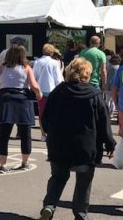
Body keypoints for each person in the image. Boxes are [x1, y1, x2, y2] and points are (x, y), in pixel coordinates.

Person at [39, 58, 116, 220]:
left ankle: (49, 205)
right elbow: (104, 122)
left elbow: (45, 118)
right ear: (87, 74)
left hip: (59, 144)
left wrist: (49, 132)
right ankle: (80, 214)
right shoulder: (94, 95)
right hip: (86, 146)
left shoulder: (58, 92)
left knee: (58, 177)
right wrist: (109, 143)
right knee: (84, 181)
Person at [0, 46, 42, 173]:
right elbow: (34, 85)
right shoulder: (26, 68)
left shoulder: (2, 67)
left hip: (6, 100)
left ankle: (3, 164)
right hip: (23, 100)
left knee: (3, 134)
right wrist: (39, 94)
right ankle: (25, 162)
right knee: (25, 133)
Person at [33, 44, 64, 141]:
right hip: (52, 91)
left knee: (41, 113)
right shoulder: (55, 63)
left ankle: (43, 134)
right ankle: (51, 132)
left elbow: (34, 77)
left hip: (40, 91)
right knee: (52, 113)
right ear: (52, 52)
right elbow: (58, 78)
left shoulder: (37, 62)